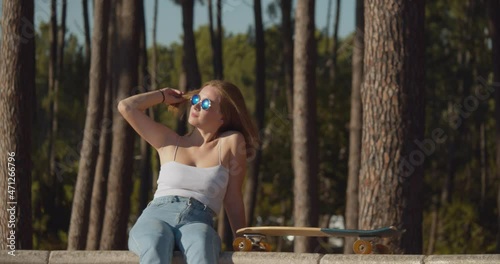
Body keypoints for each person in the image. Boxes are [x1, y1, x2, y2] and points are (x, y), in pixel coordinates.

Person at [120, 80, 258, 264]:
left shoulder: (230, 142)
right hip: (156, 215)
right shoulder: (168, 141)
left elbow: (233, 198)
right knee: (157, 241)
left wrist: (243, 239)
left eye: (207, 103)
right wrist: (162, 95)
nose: (197, 105)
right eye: (195, 99)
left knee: (201, 242)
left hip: (198, 220)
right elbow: (126, 107)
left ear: (223, 117)